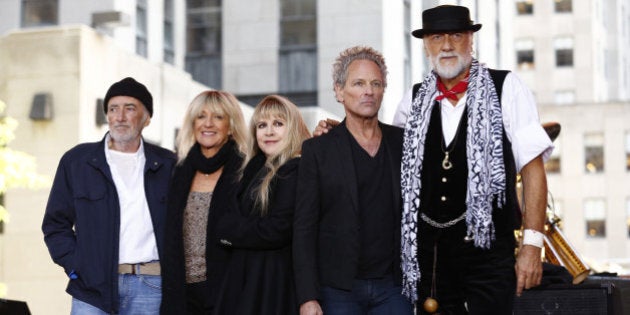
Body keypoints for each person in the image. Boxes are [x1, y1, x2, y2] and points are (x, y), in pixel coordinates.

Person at [396, 5, 553, 314]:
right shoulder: (411, 100)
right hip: (432, 257)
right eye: (437, 37)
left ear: (471, 39)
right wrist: (342, 132)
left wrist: (532, 244)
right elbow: (386, 157)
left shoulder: (506, 87)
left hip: (489, 254)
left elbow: (533, 170)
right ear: (426, 45)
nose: (447, 45)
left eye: (456, 35)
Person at [293, 46, 414, 315]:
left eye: (375, 83)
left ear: (384, 90)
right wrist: (307, 297)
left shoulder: (404, 143)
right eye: (358, 83)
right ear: (339, 91)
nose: (368, 91)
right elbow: (304, 229)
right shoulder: (318, 150)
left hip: (393, 287)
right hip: (338, 290)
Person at [42, 77, 176, 314]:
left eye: (130, 108)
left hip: (151, 287)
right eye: (113, 108)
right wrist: (77, 266)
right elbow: (55, 224)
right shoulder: (77, 161)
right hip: (92, 288)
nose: (120, 116)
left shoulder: (168, 164)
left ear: (147, 118)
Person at [213, 94, 311, 315]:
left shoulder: (294, 169)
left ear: (293, 128)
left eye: (278, 124)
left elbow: (278, 229)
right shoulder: (252, 170)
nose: (269, 131)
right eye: (262, 125)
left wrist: (231, 232)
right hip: (248, 278)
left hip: (273, 282)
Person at [160, 90, 248, 314]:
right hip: (180, 294)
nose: (208, 123)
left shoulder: (246, 171)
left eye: (218, 117)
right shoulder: (177, 171)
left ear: (231, 126)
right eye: (201, 116)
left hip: (229, 292)